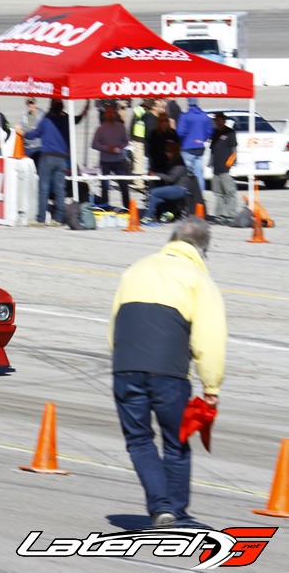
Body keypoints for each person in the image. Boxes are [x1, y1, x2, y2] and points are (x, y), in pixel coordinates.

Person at [109, 216, 226, 528]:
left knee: (139, 441)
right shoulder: (198, 279)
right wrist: (211, 386)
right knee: (176, 442)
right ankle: (176, 512)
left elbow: (115, 325)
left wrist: (121, 362)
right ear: (203, 250)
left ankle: (161, 508)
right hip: (169, 373)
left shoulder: (135, 270)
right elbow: (210, 339)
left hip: (125, 367)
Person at [18, 99, 77, 227]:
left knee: (43, 188)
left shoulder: (47, 120)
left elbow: (34, 135)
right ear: (62, 108)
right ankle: (58, 219)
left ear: (51, 107)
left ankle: (41, 219)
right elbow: (69, 138)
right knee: (60, 190)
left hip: (47, 156)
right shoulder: (65, 121)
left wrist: (22, 133)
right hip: (61, 158)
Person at [142, 140, 201, 223]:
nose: (166, 153)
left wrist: (156, 174)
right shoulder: (172, 161)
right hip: (177, 187)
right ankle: (163, 215)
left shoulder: (179, 163)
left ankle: (148, 217)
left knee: (153, 192)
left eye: (168, 151)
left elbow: (171, 178)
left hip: (180, 188)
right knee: (155, 198)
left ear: (174, 151)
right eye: (165, 151)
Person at [91, 104, 130, 208]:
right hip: (105, 162)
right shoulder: (100, 129)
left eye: (112, 112)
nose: (110, 114)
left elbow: (126, 141)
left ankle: (127, 206)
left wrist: (120, 147)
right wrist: (107, 148)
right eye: (108, 112)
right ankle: (105, 204)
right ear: (105, 114)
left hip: (119, 161)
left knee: (123, 185)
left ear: (115, 114)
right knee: (104, 185)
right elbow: (94, 144)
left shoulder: (121, 127)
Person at [177, 98, 213, 195]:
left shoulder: (185, 116)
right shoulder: (204, 115)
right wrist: (202, 139)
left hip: (187, 147)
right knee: (199, 174)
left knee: (185, 174)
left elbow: (180, 132)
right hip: (200, 147)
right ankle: (200, 196)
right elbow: (209, 131)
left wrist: (183, 141)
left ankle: (186, 195)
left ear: (188, 103)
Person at [209, 112, 239, 225]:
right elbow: (212, 149)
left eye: (219, 119)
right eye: (215, 120)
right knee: (218, 194)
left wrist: (230, 165)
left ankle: (230, 216)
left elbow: (234, 151)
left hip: (226, 169)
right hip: (216, 169)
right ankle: (219, 216)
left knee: (230, 193)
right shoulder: (215, 132)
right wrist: (210, 163)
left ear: (223, 120)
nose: (217, 121)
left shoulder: (230, 132)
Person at [146, 111, 179, 176]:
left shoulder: (173, 133)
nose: (164, 123)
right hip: (157, 165)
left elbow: (177, 149)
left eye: (166, 120)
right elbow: (150, 150)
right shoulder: (154, 134)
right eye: (161, 121)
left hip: (170, 165)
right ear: (158, 122)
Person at [20, 97, 45, 168]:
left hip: (39, 147)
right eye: (28, 103)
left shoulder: (42, 114)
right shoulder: (25, 116)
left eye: (32, 103)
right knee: (28, 169)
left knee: (39, 168)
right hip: (27, 148)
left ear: (35, 103)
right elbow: (22, 128)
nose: (30, 105)